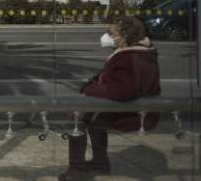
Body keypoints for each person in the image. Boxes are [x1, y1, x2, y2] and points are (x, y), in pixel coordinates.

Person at [59, 16, 160, 180]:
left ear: (125, 36)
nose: (106, 37)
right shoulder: (139, 53)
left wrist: (91, 89)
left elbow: (122, 91)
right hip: (135, 108)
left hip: (131, 112)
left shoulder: (129, 57)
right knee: (92, 115)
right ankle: (100, 163)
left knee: (76, 117)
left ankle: (77, 170)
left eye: (111, 33)